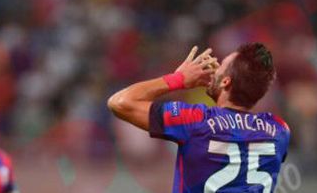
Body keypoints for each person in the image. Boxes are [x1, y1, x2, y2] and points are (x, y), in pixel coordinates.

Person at [108, 44, 291, 193]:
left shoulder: (196, 121)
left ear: (226, 82)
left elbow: (120, 102)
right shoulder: (279, 130)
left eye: (221, 67)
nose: (214, 69)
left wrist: (178, 79)